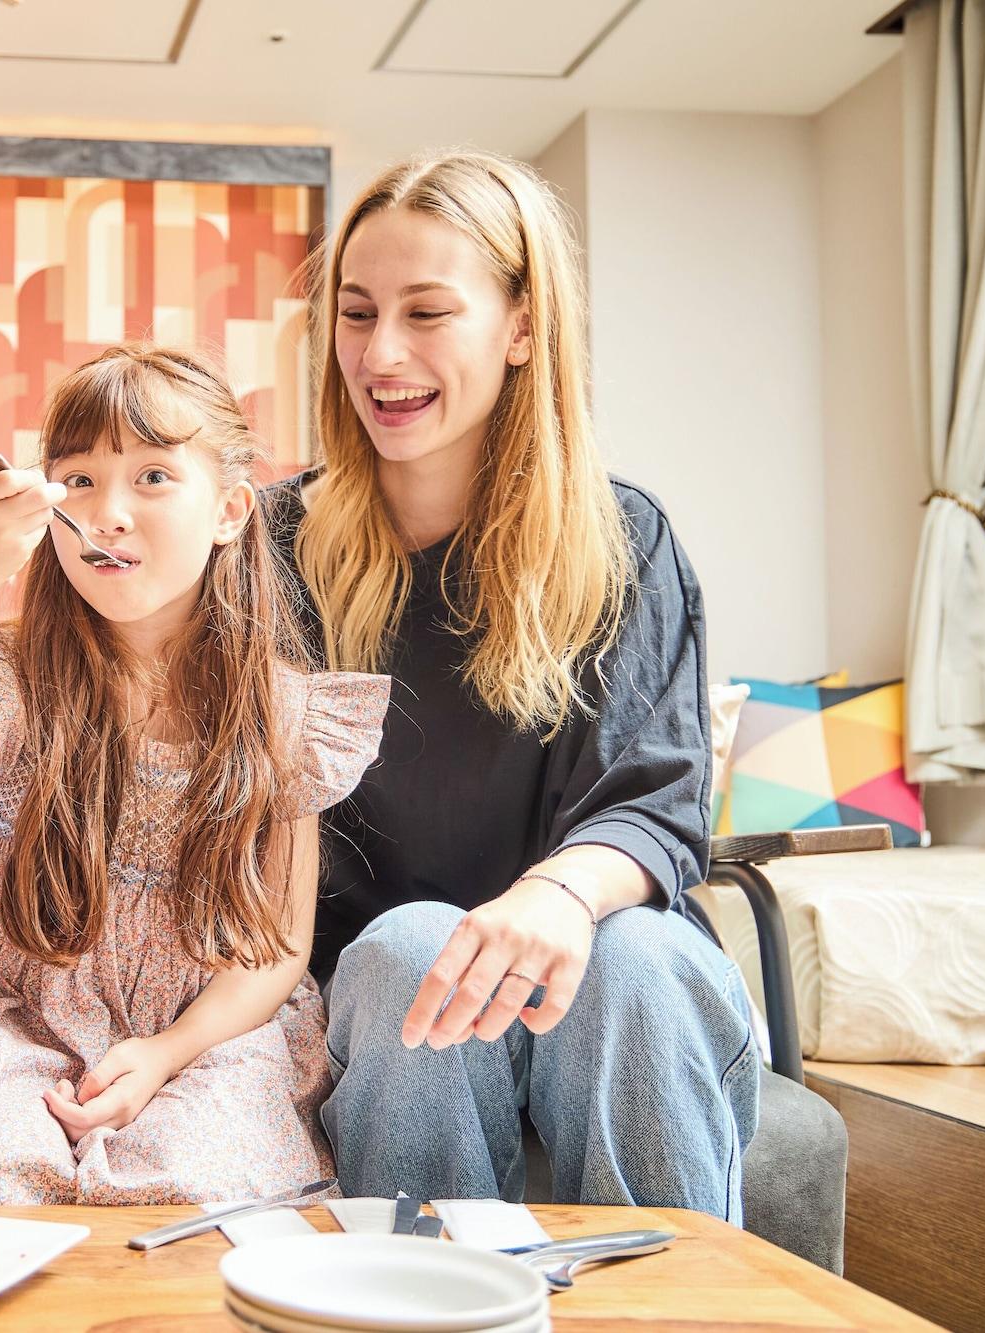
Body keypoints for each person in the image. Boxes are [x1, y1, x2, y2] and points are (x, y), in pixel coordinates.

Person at [261, 150, 759, 1220]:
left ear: (521, 327)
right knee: (406, 949)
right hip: (391, 983)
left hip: (596, 963)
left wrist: (555, 895)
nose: (379, 353)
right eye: (354, 314)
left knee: (635, 963)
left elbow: (654, 808)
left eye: (426, 312)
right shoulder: (273, 545)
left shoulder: (622, 538)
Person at [0, 344, 389, 1205]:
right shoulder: (10, 670)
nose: (107, 513)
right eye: (77, 480)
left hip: (200, 1039)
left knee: (194, 1185)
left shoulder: (284, 715)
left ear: (228, 511)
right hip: (0, 1009)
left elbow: (282, 947)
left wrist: (165, 1054)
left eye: (151, 477)